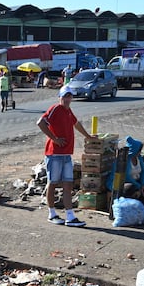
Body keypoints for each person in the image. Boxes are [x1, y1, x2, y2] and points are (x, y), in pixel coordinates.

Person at [36, 84, 94, 227]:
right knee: (53, 183)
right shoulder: (55, 109)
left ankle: (70, 216)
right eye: (65, 96)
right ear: (60, 97)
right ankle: (52, 213)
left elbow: (76, 124)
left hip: (66, 154)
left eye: (69, 96)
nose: (67, 99)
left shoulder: (68, 111)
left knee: (68, 184)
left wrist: (88, 136)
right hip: (54, 154)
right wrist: (55, 139)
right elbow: (40, 123)